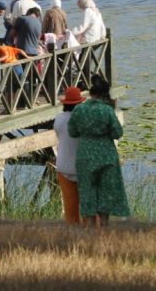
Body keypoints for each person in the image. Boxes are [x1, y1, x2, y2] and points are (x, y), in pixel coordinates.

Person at [68, 76, 129, 227]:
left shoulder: (79, 109)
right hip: (106, 155)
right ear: (104, 94)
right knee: (106, 191)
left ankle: (89, 225)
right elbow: (117, 133)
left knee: (87, 190)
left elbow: (72, 132)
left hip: (85, 154)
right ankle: (104, 225)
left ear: (91, 93)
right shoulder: (107, 110)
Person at [54, 86, 84, 224]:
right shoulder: (85, 120)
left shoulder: (59, 120)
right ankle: (91, 236)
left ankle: (72, 235)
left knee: (70, 208)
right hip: (83, 168)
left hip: (63, 167)